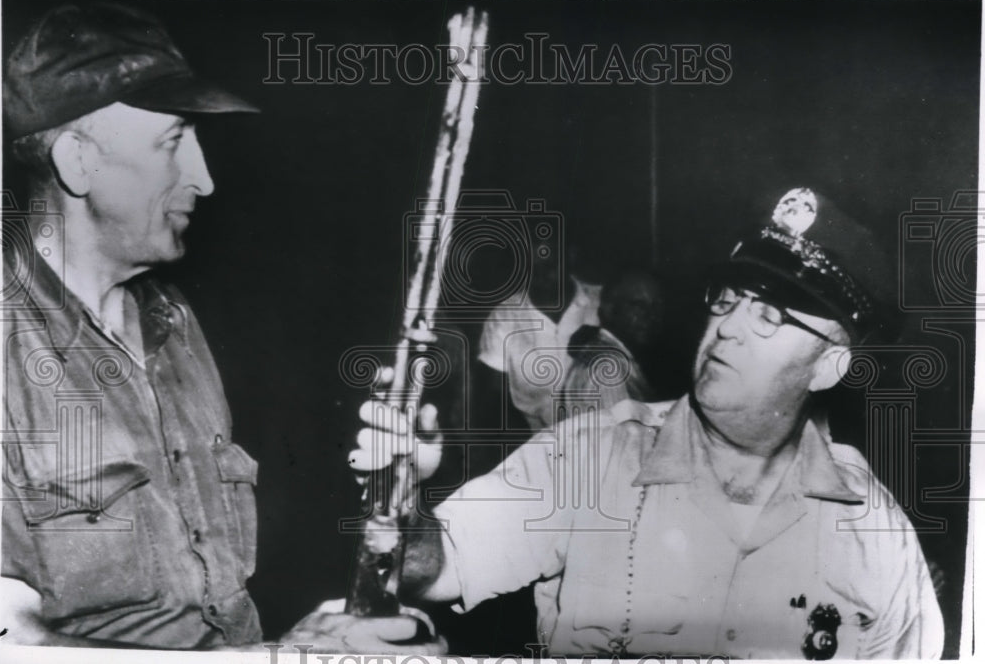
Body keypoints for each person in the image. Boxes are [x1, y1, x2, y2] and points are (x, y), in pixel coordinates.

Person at [0, 1, 440, 653]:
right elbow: (6, 643)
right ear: (77, 161)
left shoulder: (174, 323)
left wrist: (394, 498)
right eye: (173, 141)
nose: (204, 180)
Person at [353, 187, 945, 658]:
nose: (728, 326)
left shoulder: (874, 531)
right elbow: (436, 564)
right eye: (727, 299)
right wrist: (397, 495)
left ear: (828, 366)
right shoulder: (591, 456)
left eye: (769, 316)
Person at [477, 245, 601, 431]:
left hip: (602, 434)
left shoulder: (603, 302)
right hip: (535, 436)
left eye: (550, 263)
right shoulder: (504, 316)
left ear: (570, 256)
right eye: (531, 266)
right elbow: (495, 399)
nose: (542, 274)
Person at [559, 269, 665, 414]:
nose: (651, 315)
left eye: (657, 306)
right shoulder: (608, 372)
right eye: (638, 305)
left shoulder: (616, 358)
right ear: (609, 310)